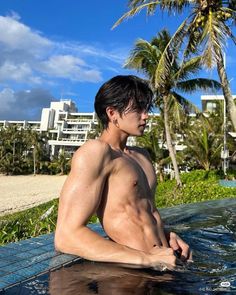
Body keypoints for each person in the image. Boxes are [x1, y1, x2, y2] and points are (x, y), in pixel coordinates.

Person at [55, 75, 191, 270]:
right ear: (112, 113)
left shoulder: (142, 156)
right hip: (130, 274)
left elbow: (142, 214)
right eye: (138, 109)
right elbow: (66, 236)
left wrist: (167, 235)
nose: (145, 116)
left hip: (164, 263)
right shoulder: (97, 153)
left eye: (146, 109)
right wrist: (147, 259)